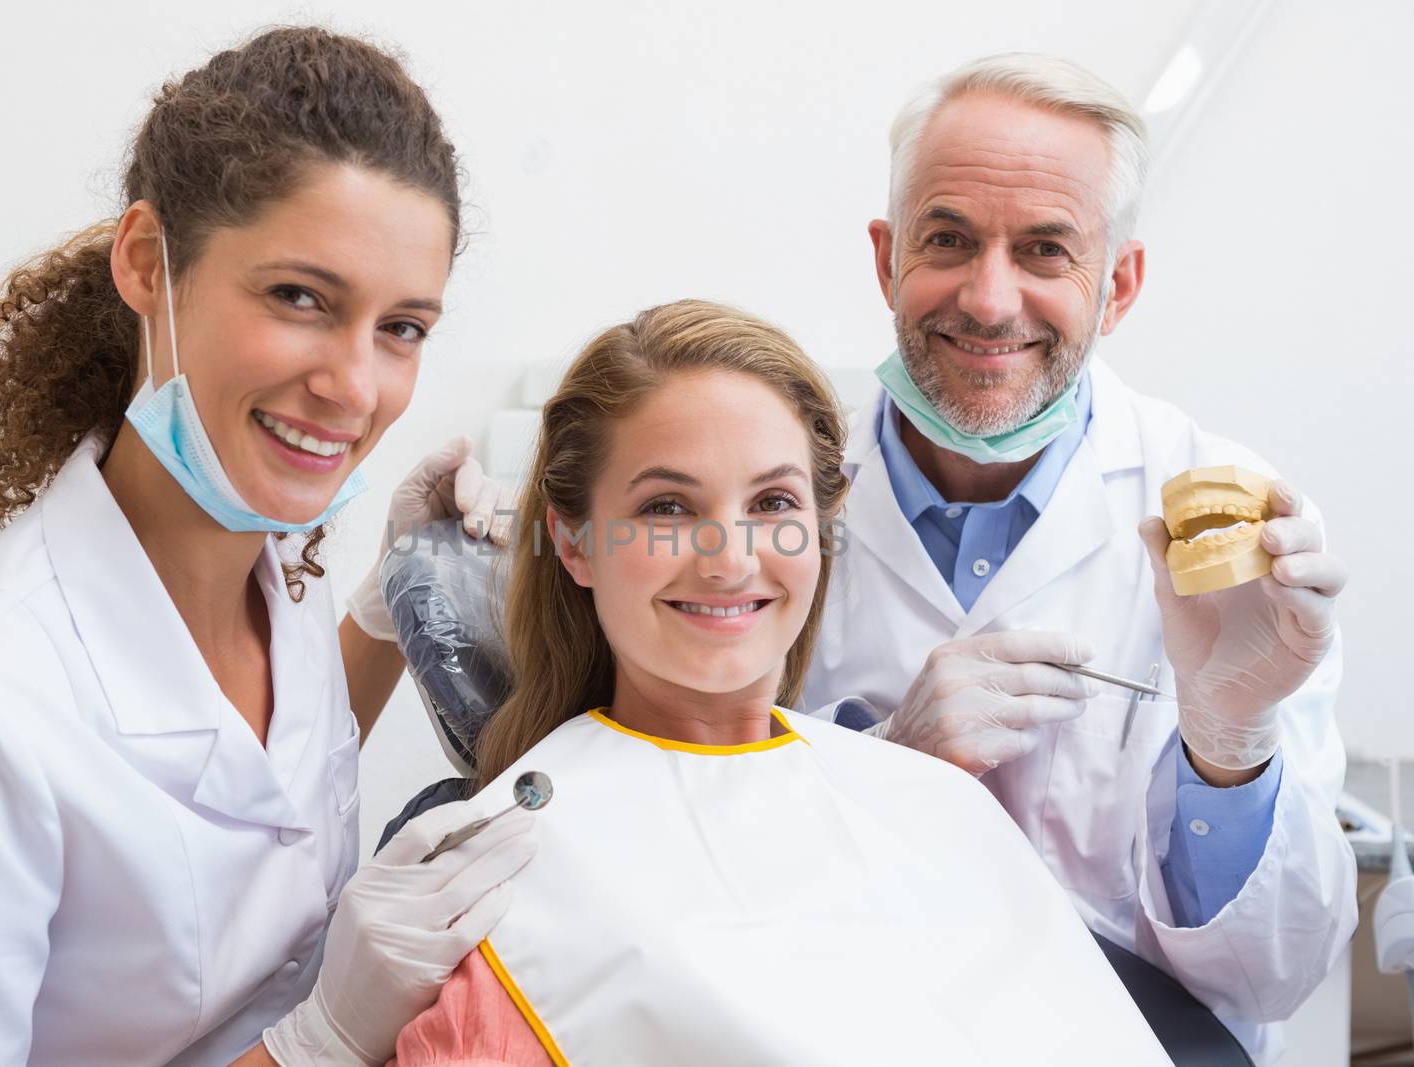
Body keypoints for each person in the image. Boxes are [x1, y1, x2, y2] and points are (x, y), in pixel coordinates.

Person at [0, 27, 535, 1067]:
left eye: (402, 327)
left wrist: (384, 604)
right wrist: (315, 1042)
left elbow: (251, 789)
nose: (355, 385)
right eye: (301, 298)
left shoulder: (268, 582)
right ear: (148, 263)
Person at [385, 300, 1172, 1065]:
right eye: (667, 506)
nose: (731, 558)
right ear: (574, 540)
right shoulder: (494, 882)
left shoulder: (933, 800)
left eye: (773, 503)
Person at [799, 53, 1354, 1062]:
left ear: (1120, 283)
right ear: (885, 258)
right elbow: (690, 859)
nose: (988, 297)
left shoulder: (1239, 520)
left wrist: (1229, 740)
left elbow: (1277, 971)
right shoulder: (765, 495)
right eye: (947, 239)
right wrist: (881, 771)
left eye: (1046, 250)